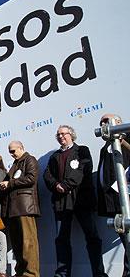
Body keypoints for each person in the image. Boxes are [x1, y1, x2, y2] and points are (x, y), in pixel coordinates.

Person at [44, 125, 108, 277]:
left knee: (92, 237)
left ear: (71, 135)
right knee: (61, 240)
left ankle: (98, 273)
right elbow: (47, 175)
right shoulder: (55, 156)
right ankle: (62, 274)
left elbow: (83, 170)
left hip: (82, 200)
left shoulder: (82, 150)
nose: (60, 136)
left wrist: (65, 185)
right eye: (58, 134)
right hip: (61, 202)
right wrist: (56, 185)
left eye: (63, 134)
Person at [0, 141, 40, 277]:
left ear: (21, 148)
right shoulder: (15, 165)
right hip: (14, 209)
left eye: (13, 151)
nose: (11, 154)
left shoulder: (30, 159)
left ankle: (31, 274)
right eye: (9, 152)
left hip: (25, 207)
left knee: (28, 243)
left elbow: (31, 178)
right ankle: (20, 272)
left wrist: (10, 183)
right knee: (17, 244)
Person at [96, 114, 130, 277]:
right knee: (125, 236)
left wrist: (121, 140)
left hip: (125, 198)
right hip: (112, 201)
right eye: (102, 122)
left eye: (107, 121)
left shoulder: (126, 139)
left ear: (118, 123)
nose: (104, 124)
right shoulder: (105, 147)